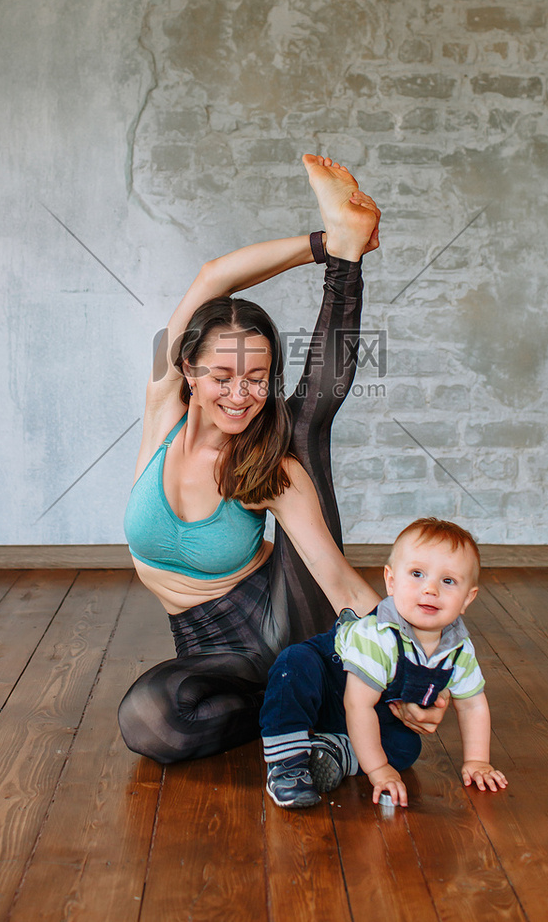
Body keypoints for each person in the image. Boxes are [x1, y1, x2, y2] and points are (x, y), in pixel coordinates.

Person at [119, 155, 397, 763]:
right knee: (151, 720)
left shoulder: (268, 465)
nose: (241, 395)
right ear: (187, 369)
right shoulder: (162, 408)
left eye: (258, 378)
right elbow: (213, 276)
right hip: (211, 652)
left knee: (302, 429)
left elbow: (337, 580)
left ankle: (348, 267)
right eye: (222, 376)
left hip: (284, 619)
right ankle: (315, 708)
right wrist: (317, 242)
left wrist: (413, 672)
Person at [259, 517, 508, 808]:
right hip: (332, 687)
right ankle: (286, 763)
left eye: (448, 581)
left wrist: (477, 761)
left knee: (406, 747)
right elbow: (357, 704)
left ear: (468, 598)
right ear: (391, 581)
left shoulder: (458, 649)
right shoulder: (379, 635)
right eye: (417, 574)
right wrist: (377, 769)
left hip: (371, 711)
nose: (431, 589)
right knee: (294, 665)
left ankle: (334, 751)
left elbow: (473, 704)